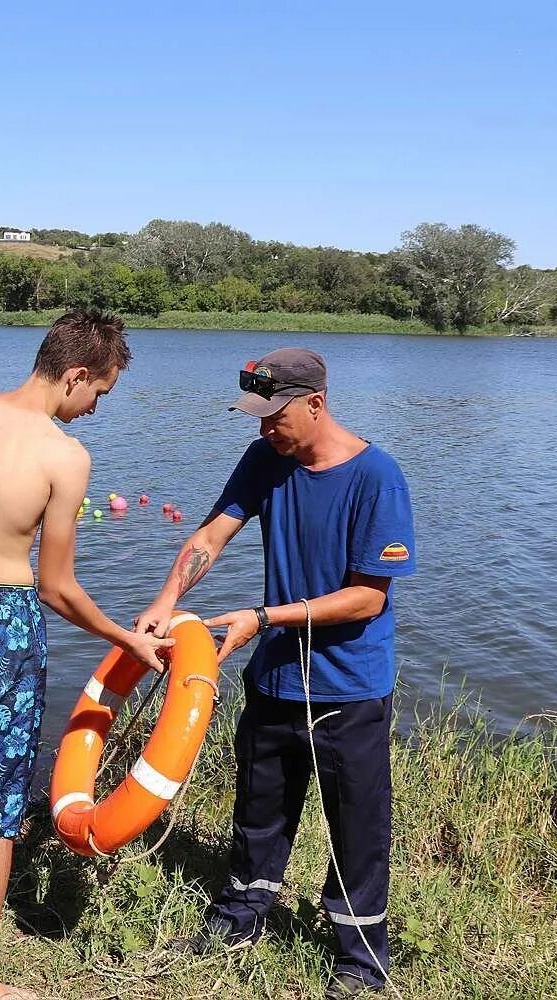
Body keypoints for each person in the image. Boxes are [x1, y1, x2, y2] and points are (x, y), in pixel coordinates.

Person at [0, 307, 174, 1000]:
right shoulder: (63, 456)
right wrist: (126, 637)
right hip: (3, 625)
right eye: (98, 393)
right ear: (76, 373)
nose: (94, 410)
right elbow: (55, 587)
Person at [134, 348, 416, 998]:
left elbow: (367, 597)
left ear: (315, 403)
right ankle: (239, 919)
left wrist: (263, 618)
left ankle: (360, 960)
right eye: (256, 417)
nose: (263, 430)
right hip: (273, 683)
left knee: (358, 830)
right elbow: (209, 536)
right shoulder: (268, 460)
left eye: (274, 416)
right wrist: (164, 602)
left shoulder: (378, 477)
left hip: (350, 689)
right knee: (258, 812)